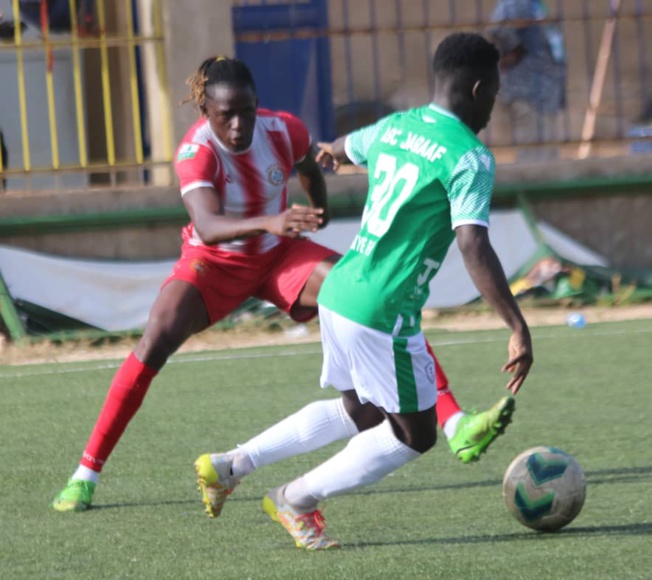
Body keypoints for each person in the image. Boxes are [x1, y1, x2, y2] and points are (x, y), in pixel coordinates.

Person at [51, 55, 515, 513]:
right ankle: (85, 475)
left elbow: (310, 163)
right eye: (225, 115)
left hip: (278, 257)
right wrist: (270, 220)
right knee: (155, 338)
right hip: (214, 262)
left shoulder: (282, 129)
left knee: (376, 291)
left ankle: (454, 421)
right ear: (204, 113)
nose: (238, 125)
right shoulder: (196, 152)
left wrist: (321, 209)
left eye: (246, 112)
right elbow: (209, 226)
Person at [199, 32, 532, 550]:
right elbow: (473, 244)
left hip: (339, 291)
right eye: (492, 92)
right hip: (382, 309)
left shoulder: (397, 126)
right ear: (477, 87)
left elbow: (340, 149)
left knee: (362, 413)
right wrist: (516, 323)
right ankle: (297, 497)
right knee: (416, 435)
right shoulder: (470, 159)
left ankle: (232, 463)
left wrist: (328, 152)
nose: (493, 102)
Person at [488, 0, 566, 161]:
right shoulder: (518, 3)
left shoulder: (534, 4)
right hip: (529, 91)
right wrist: (515, 51)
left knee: (547, 156)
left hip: (543, 92)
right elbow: (497, 30)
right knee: (534, 160)